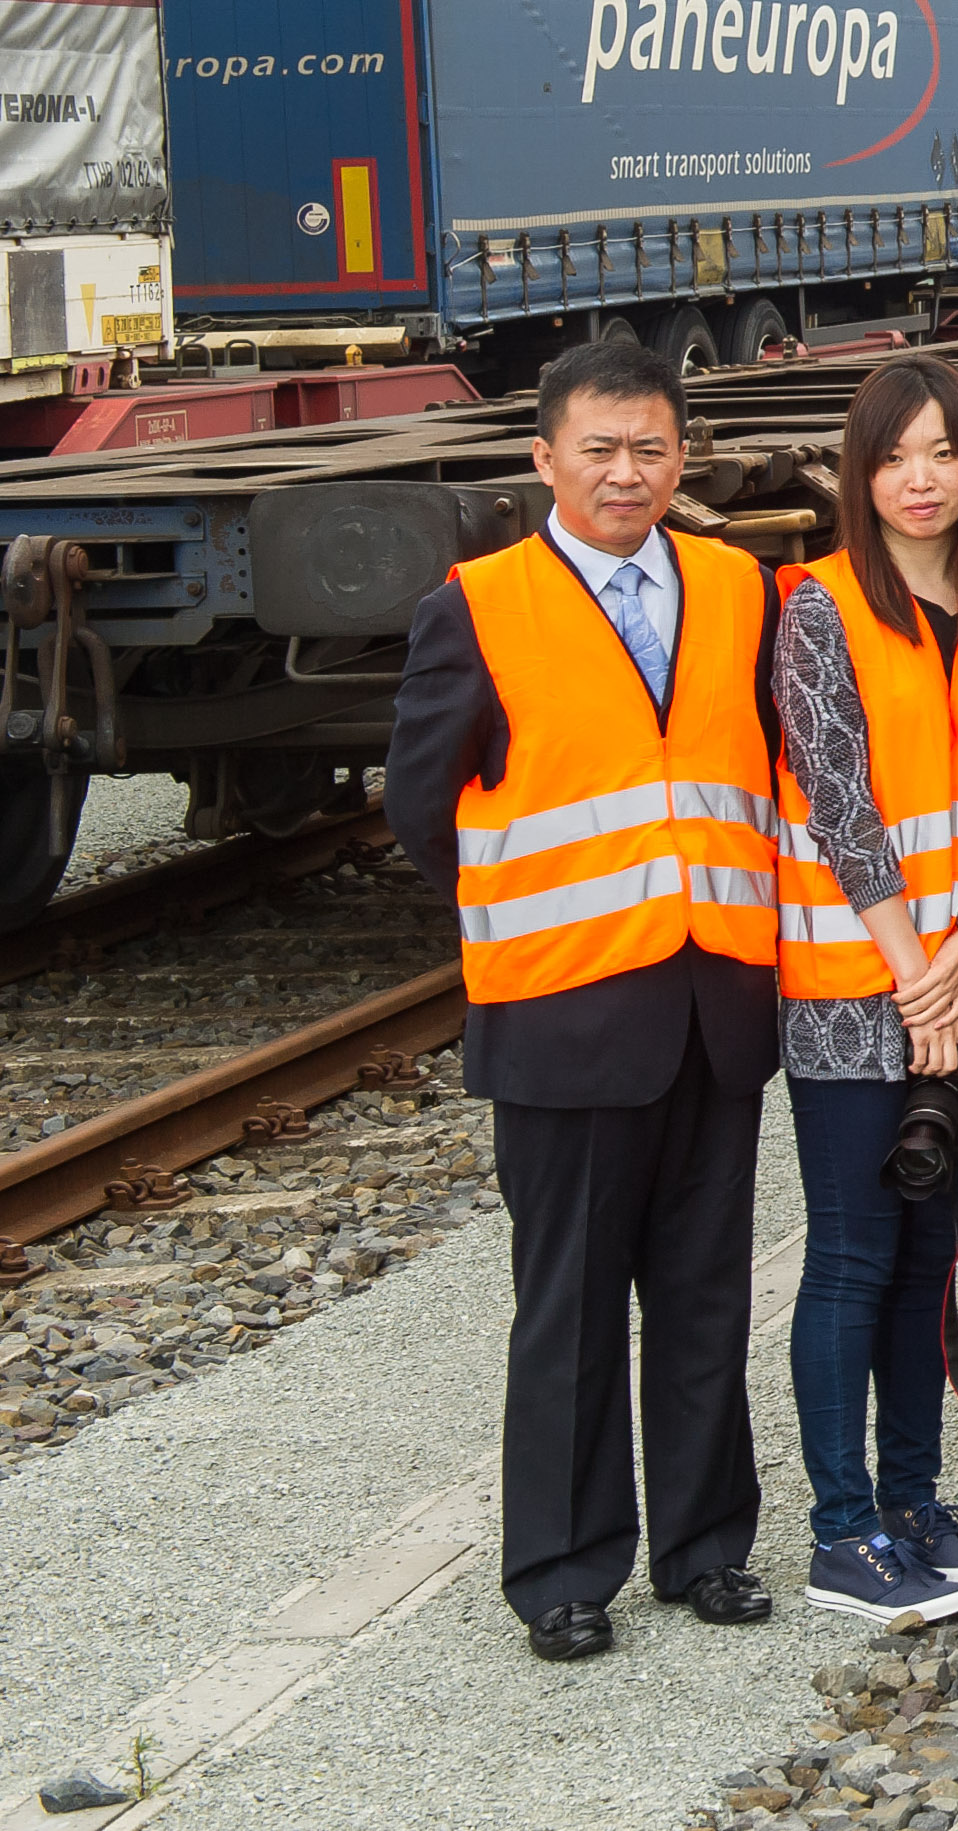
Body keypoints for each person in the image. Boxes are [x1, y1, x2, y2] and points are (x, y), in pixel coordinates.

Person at [390, 338, 782, 1662]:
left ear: (683, 458)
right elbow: (421, 808)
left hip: (713, 1006)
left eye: (650, 449)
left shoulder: (736, 586)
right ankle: (563, 1569)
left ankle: (705, 1545)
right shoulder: (479, 604)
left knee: (704, 1294)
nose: (627, 472)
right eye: (600, 449)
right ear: (544, 458)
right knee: (567, 1306)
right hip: (562, 1014)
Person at [772, 357, 958, 1626]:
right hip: (854, 985)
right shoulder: (818, 606)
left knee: (927, 1256)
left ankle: (915, 1504)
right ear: (858, 475)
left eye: (944, 452)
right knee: (854, 1255)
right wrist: (920, 982)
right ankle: (842, 1529)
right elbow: (840, 802)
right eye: (893, 456)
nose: (921, 479)